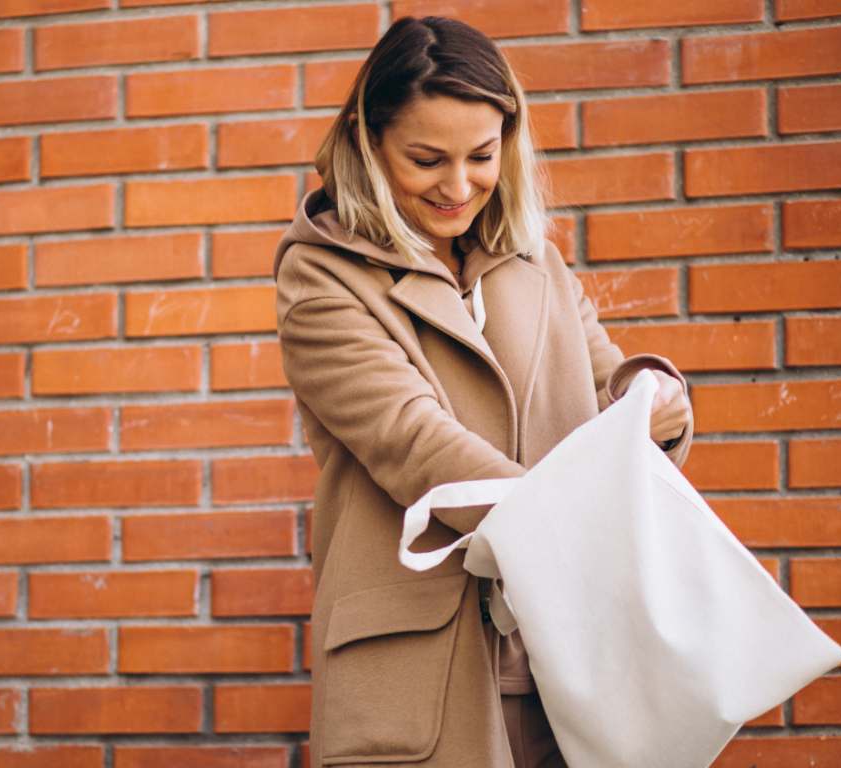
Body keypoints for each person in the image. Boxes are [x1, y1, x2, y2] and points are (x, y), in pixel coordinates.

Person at [273, 16, 694, 768]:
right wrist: (570, 519)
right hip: (426, 672)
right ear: (368, 144)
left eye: (482, 156)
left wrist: (652, 397)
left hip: (569, 662)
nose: (458, 186)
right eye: (426, 159)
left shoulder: (536, 265)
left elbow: (610, 386)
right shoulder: (322, 278)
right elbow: (413, 441)